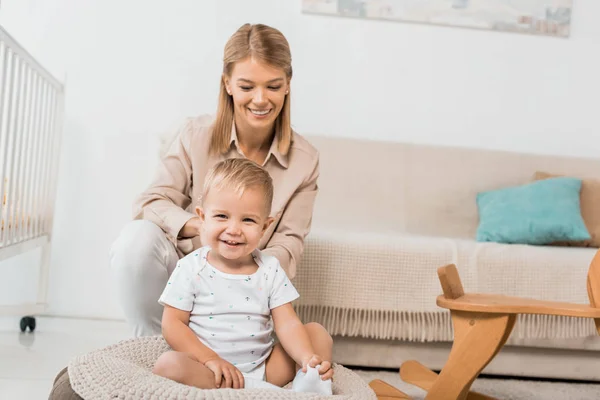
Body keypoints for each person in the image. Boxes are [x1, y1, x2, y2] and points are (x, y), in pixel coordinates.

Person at [49, 22, 330, 399]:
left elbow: (289, 245)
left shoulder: (304, 162)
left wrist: (250, 271)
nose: (261, 99)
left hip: (257, 328)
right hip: (198, 311)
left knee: (316, 337)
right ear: (227, 83)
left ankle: (300, 388)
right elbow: (151, 202)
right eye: (247, 86)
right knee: (138, 245)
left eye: (273, 86)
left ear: (289, 84)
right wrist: (205, 238)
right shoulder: (195, 136)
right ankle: (151, 347)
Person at [152, 158, 333, 391]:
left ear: (265, 227)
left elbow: (287, 324)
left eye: (248, 220)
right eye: (221, 217)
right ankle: (230, 391)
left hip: (264, 372)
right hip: (211, 371)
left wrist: (306, 357)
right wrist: (210, 359)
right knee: (168, 365)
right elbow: (172, 325)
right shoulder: (191, 267)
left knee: (317, 335)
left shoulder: (269, 269)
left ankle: (305, 386)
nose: (234, 229)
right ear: (202, 217)